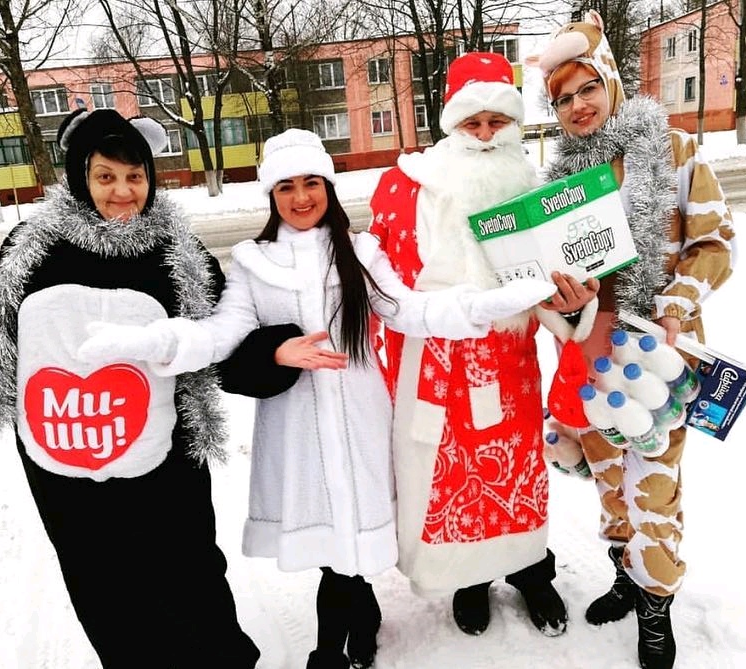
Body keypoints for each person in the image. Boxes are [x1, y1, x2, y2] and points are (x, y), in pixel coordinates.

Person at [76, 127, 561, 669]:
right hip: (298, 433)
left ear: (328, 187)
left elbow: (412, 310)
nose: (301, 197)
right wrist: (155, 342)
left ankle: (340, 637)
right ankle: (336, 642)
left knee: (351, 542)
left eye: (311, 183)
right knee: (331, 547)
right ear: (271, 194)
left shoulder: (360, 253)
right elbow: (218, 334)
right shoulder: (254, 263)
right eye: (286, 186)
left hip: (361, 422)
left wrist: (490, 303)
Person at [0, 108, 341, 669]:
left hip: (166, 462)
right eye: (106, 176)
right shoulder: (33, 247)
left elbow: (217, 340)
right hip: (68, 464)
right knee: (104, 589)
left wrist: (270, 352)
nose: (123, 192)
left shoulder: (178, 255)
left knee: (191, 579)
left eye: (135, 176)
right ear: (82, 175)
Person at [528, 11, 736, 669]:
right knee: (611, 482)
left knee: (653, 490)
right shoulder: (559, 187)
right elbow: (550, 277)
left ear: (611, 82)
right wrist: (561, 304)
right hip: (593, 360)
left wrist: (676, 303)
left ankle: (657, 604)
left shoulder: (671, 150)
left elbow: (715, 243)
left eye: (587, 87)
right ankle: (627, 574)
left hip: (660, 358)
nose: (578, 106)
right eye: (563, 98)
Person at [368, 51, 599, 639]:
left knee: (517, 474)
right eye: (473, 122)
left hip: (510, 360)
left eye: (498, 121)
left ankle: (531, 570)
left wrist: (570, 306)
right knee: (454, 480)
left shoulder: (535, 188)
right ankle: (468, 580)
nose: (486, 133)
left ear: (515, 124)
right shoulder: (409, 185)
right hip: (441, 362)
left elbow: (553, 288)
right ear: (452, 124)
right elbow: (383, 281)